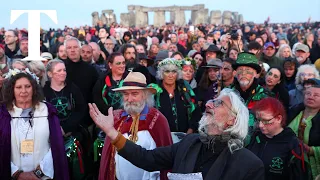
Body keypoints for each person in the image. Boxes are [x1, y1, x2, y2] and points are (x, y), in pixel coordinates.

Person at [90, 88, 265, 180]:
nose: (209, 104)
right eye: (211, 100)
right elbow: (146, 158)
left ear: (232, 120)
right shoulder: (189, 143)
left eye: (218, 103)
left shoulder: (249, 165)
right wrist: (112, 133)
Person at [92, 72, 173, 180]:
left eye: (134, 94)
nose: (129, 99)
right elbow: (108, 160)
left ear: (144, 95)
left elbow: (165, 159)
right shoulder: (116, 119)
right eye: (126, 94)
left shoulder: (157, 120)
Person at [0, 69, 69, 179]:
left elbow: (56, 145)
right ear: (12, 90)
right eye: (18, 87)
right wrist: (17, 174)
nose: (24, 91)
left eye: (28, 86)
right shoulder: (4, 114)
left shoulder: (47, 111)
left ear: (34, 89)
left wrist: (39, 172)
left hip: (43, 176)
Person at [247, 97, 309, 180]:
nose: (260, 125)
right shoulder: (255, 136)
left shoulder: (292, 145)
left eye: (266, 121)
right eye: (258, 120)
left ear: (279, 119)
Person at [149, 58, 202, 133]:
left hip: (185, 137)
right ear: (161, 73)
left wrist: (191, 130)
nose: (171, 75)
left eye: (174, 71)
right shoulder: (154, 91)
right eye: (167, 71)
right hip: (161, 137)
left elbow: (196, 112)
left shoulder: (185, 89)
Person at [229, 52, 271, 144]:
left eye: (248, 70)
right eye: (240, 70)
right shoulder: (228, 94)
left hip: (256, 144)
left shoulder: (265, 96)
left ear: (256, 74)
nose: (244, 73)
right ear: (235, 73)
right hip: (230, 143)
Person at [288, 78, 320, 179]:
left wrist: (311, 150)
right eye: (308, 94)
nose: (311, 97)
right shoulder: (292, 112)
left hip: (312, 167)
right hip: (289, 163)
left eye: (316, 95)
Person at [64, 37, 99, 127]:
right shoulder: (60, 69)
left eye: (75, 47)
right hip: (65, 117)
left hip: (87, 119)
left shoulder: (91, 70)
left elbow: (96, 94)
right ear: (65, 50)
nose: (72, 50)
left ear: (80, 49)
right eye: (69, 48)